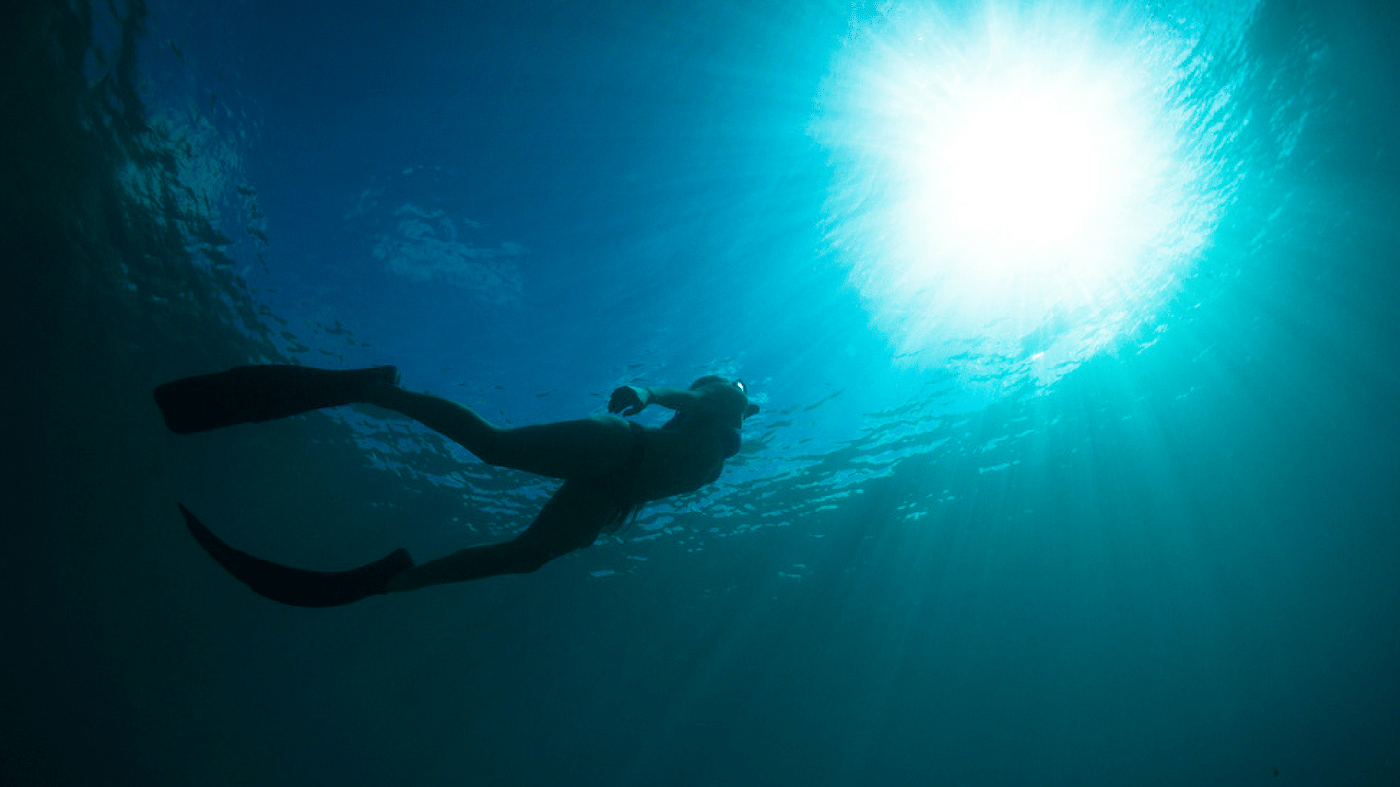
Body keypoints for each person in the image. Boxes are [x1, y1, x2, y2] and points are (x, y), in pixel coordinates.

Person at [154, 364, 759, 606]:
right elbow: (690, 395)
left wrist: (601, 520)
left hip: (611, 495)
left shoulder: (714, 464)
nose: (740, 413)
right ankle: (376, 391)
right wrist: (648, 394)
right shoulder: (721, 399)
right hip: (620, 445)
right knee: (493, 447)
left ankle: (394, 581)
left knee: (527, 559)